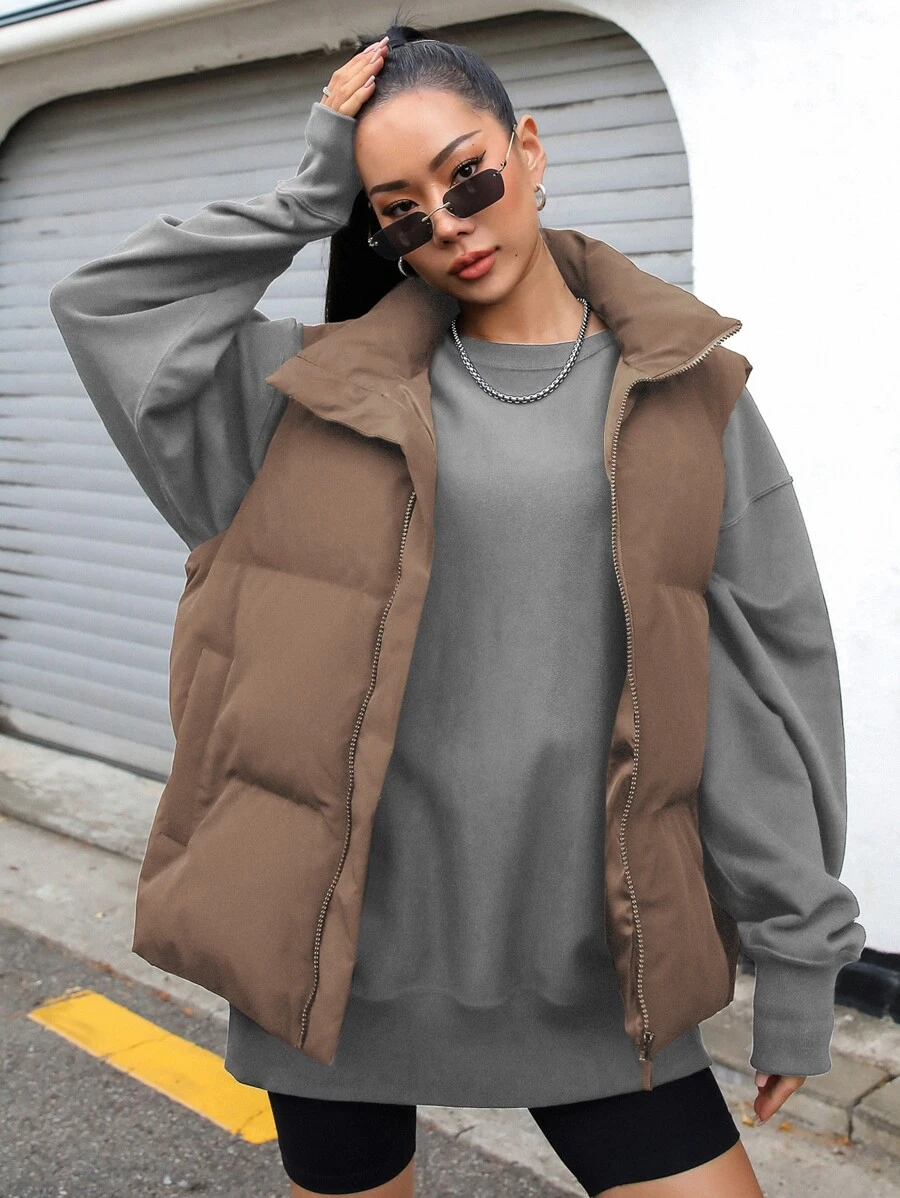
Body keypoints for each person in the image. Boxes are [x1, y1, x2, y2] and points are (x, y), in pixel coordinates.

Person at [48, 17, 866, 1198]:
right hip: (334, 966)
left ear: (528, 149)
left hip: (590, 966)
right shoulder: (303, 399)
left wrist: (799, 953)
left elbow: (764, 685)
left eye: (467, 176)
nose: (448, 223)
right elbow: (108, 308)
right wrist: (308, 193)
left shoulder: (688, 397)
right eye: (400, 212)